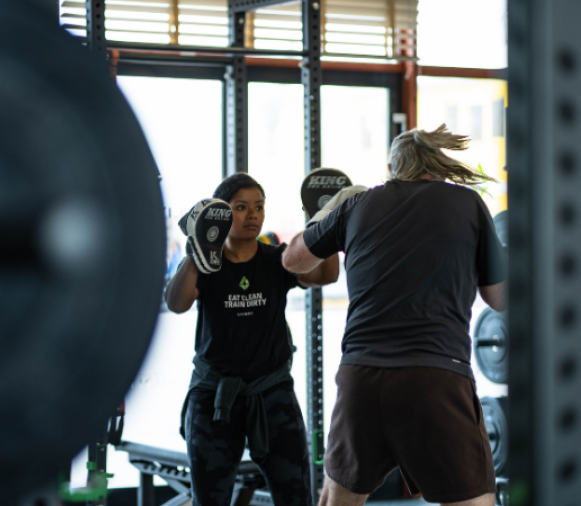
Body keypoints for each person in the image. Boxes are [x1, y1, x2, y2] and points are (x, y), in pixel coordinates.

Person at [282, 125, 507, 506]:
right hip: (436, 377)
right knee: (472, 501)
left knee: (335, 499)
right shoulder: (468, 204)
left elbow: (293, 260)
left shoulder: (356, 204)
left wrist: (328, 211)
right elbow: (499, 299)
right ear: (436, 165)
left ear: (392, 167)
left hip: (361, 380)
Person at [165, 173, 339, 506]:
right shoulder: (207, 264)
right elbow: (177, 303)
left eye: (258, 207)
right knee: (210, 500)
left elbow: (326, 274)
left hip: (271, 391)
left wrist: (324, 221)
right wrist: (197, 251)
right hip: (214, 395)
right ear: (221, 214)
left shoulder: (278, 259)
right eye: (241, 207)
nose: (253, 215)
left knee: (297, 498)